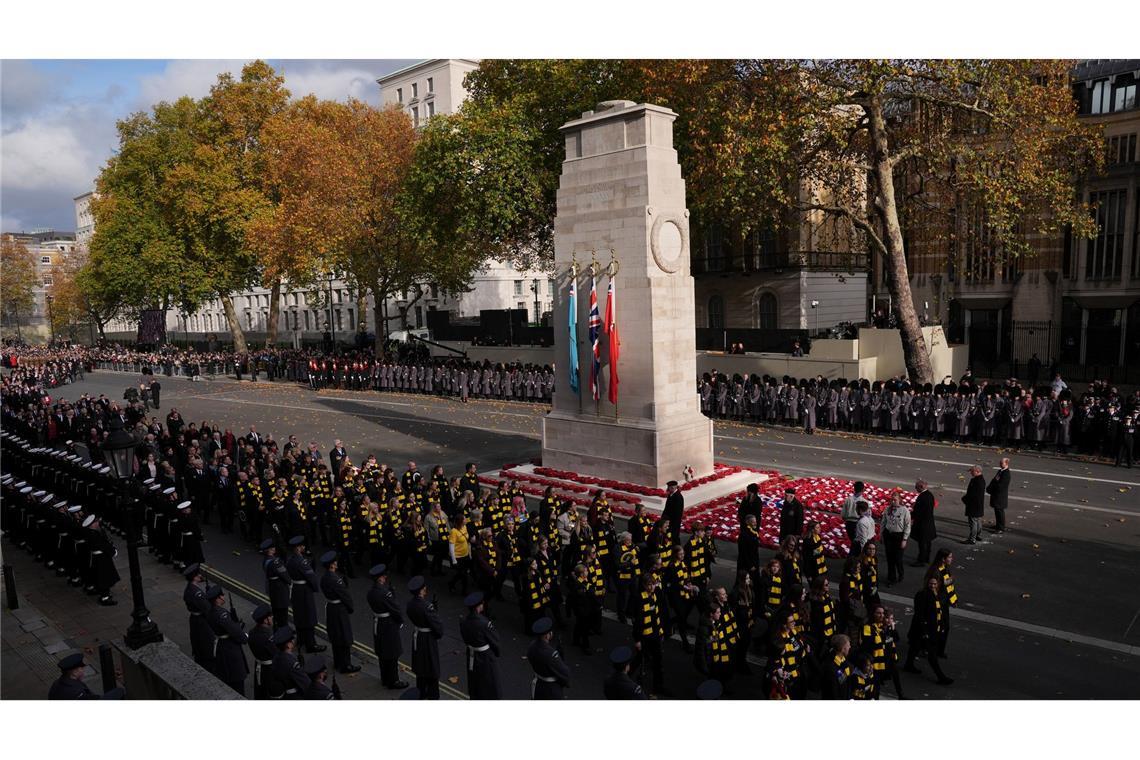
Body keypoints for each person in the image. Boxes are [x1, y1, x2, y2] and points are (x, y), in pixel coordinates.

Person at [902, 576, 954, 685]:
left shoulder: (936, 595)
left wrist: (941, 625)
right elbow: (919, 614)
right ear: (927, 583)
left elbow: (938, 612)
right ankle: (941, 677)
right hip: (924, 630)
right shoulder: (922, 595)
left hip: (928, 630)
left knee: (915, 647)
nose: (933, 586)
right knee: (931, 654)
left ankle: (908, 665)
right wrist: (925, 630)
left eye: (935, 584)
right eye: (931, 583)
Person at [366, 564, 408, 689]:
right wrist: (400, 621)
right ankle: (394, 680)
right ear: (380, 578)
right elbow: (395, 609)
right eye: (383, 576)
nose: (385, 578)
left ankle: (385, 678)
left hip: (378, 623)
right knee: (392, 653)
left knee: (382, 652)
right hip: (388, 624)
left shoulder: (371, 592)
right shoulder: (384, 593)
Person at [319, 550, 360, 674]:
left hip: (331, 608)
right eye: (335, 562)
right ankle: (346, 665)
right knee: (344, 636)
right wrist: (350, 607)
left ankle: (338, 662)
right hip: (339, 610)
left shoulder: (324, 578)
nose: (337, 563)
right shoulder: (335, 579)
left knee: (335, 636)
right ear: (332, 565)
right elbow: (345, 596)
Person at [205, 585, 250, 695]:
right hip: (229, 648)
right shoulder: (222, 614)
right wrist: (245, 636)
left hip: (222, 644)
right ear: (218, 599)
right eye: (222, 595)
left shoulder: (211, 611)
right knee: (237, 680)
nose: (223, 597)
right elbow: (236, 633)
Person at [406, 575, 444, 699]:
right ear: (422, 590)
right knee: (431, 667)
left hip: (418, 636)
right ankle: (433, 695)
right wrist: (434, 612)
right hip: (428, 638)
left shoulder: (410, 604)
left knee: (420, 668)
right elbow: (439, 629)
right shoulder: (427, 606)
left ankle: (421, 693)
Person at [285, 536, 325, 653]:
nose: (303, 547)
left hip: (296, 590)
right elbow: (311, 577)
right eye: (302, 546)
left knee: (299, 616)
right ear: (298, 548)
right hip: (304, 591)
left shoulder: (291, 560)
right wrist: (315, 588)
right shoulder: (301, 561)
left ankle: (301, 639)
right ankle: (311, 644)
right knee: (309, 617)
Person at [460, 591, 503, 699]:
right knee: (490, 684)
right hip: (485, 658)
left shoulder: (464, 621)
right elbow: (495, 641)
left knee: (475, 684)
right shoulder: (484, 623)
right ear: (479, 606)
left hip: (472, 656)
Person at [631, 574, 667, 697]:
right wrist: (637, 640)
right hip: (645, 636)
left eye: (653, 584)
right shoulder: (639, 598)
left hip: (655, 634)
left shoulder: (656, 594)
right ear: (644, 586)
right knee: (638, 660)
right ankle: (626, 679)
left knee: (658, 662)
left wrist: (661, 631)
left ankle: (658, 687)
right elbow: (637, 622)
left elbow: (659, 614)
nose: (652, 587)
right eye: (649, 585)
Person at [527, 617, 570, 699]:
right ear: (547, 636)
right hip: (551, 689)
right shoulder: (551, 654)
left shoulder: (532, 646)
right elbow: (565, 673)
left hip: (538, 685)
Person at [183, 563, 215, 672]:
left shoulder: (189, 588)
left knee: (198, 642)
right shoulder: (196, 593)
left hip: (195, 619)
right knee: (206, 643)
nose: (200, 576)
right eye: (198, 575)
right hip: (201, 622)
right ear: (195, 577)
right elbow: (207, 608)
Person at [48, 653, 122, 699]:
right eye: (81, 669)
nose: (83, 671)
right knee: (120, 691)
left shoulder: (56, 683)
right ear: (74, 672)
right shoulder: (78, 693)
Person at [880, 493, 911, 587]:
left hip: (899, 536)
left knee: (898, 558)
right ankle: (891, 578)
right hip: (889, 535)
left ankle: (901, 573)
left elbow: (907, 526)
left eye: (895, 500)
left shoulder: (904, 511)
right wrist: (881, 534)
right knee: (890, 558)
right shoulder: (887, 509)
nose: (893, 502)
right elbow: (883, 522)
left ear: (900, 500)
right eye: (892, 500)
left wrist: (904, 539)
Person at [247, 604, 276, 700]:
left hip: (259, 666)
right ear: (265, 620)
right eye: (270, 616)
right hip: (270, 669)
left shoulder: (252, 632)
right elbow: (276, 654)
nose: (272, 618)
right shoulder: (268, 637)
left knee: (259, 691)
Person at [260, 538, 291, 629]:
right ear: (269, 550)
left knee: (276, 612)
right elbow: (285, 576)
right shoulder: (275, 562)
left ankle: (278, 628)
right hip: (280, 590)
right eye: (272, 547)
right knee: (282, 614)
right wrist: (290, 582)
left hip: (272, 588)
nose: (274, 548)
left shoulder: (266, 560)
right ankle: (283, 631)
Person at [910, 479, 937, 567]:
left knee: (922, 543)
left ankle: (921, 560)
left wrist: (911, 516)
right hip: (928, 523)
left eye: (916, 487)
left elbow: (919, 511)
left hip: (923, 524)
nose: (915, 489)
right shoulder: (929, 495)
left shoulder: (923, 497)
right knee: (927, 543)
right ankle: (926, 558)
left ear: (921, 487)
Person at [821, 634, 852, 700]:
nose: (850, 647)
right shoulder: (831, 668)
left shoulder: (844, 661)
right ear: (842, 649)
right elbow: (833, 693)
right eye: (848, 645)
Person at [962, 465, 986, 544]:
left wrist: (965, 499)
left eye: (972, 471)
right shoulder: (981, 480)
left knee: (973, 522)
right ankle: (978, 535)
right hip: (978, 505)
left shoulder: (976, 481)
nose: (971, 473)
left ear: (977, 471)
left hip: (973, 505)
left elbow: (972, 495)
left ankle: (972, 539)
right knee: (978, 521)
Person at [986, 457, 1011, 533]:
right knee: (997, 511)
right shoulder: (1000, 471)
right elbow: (994, 480)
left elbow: (1000, 485)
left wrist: (992, 489)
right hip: (997, 495)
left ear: (1006, 463)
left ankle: (1001, 528)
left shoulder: (1006, 473)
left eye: (1002, 463)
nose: (1000, 464)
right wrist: (989, 488)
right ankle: (998, 525)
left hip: (1000, 496)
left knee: (1000, 511)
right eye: (1000, 462)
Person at [841, 481, 868, 547]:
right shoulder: (865, 501)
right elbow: (867, 515)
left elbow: (843, 515)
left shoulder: (848, 500)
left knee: (852, 541)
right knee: (858, 542)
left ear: (854, 488)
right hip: (859, 523)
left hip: (849, 523)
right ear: (863, 490)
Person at [662, 480, 684, 546]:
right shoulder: (671, 495)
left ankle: (677, 549)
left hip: (674, 521)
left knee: (674, 536)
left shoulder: (678, 497)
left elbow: (677, 512)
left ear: (673, 487)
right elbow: (667, 508)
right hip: (668, 520)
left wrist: (670, 522)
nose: (668, 489)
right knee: (670, 536)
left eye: (669, 487)